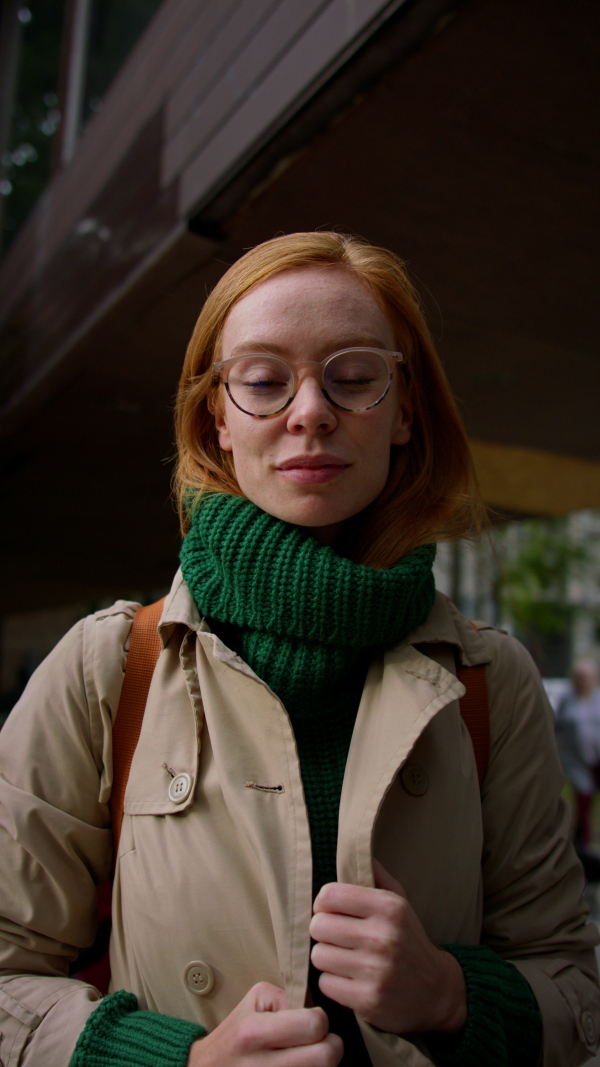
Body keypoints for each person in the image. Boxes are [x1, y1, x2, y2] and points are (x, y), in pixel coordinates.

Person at [0, 232, 599, 1067]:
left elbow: (573, 982)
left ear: (405, 409)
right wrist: (177, 1061)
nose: (310, 409)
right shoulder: (108, 668)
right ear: (217, 414)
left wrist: (454, 994)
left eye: (354, 377)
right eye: (262, 379)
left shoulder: (490, 681)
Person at [555, 660, 600, 848]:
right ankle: (583, 841)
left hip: (598, 758)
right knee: (583, 799)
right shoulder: (567, 700)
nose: (583, 682)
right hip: (577, 760)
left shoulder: (598, 698)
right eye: (580, 678)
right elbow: (557, 726)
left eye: (587, 678)